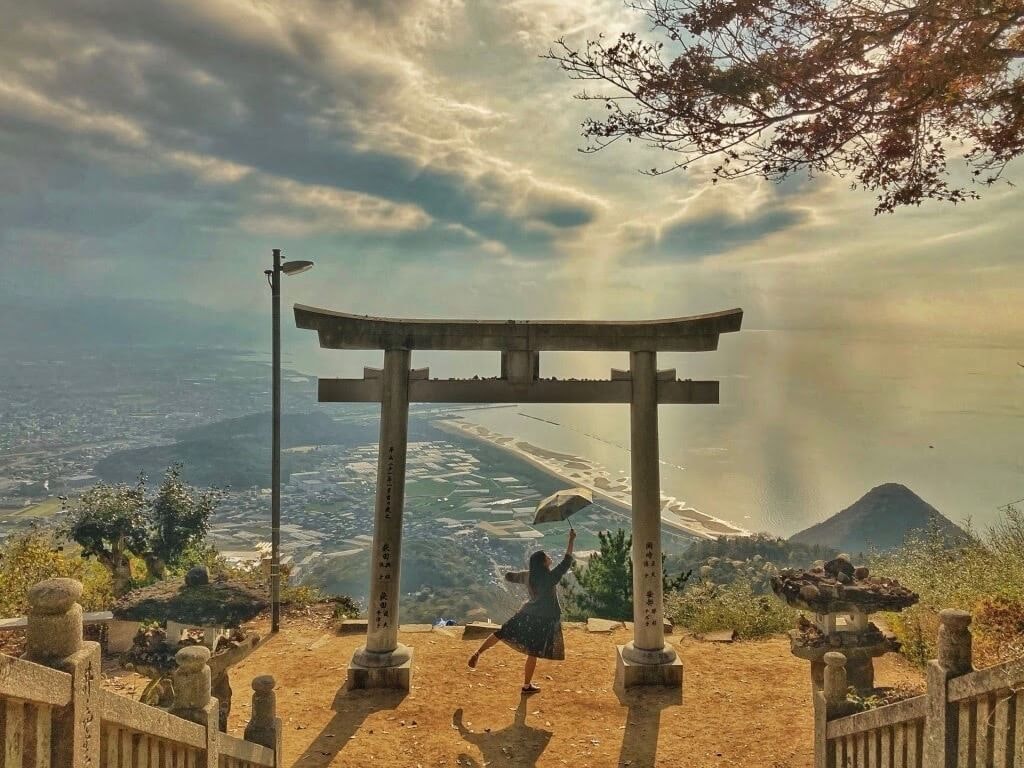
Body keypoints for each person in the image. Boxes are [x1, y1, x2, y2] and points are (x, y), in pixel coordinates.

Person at [468, 528, 576, 693]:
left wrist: (503, 571)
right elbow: (566, 562)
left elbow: (511, 577)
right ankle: (526, 685)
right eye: (547, 556)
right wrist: (571, 539)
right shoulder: (550, 578)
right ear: (544, 563)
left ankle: (478, 652)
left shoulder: (529, 575)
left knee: (501, 632)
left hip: (526, 614)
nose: (549, 557)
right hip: (543, 619)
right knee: (532, 652)